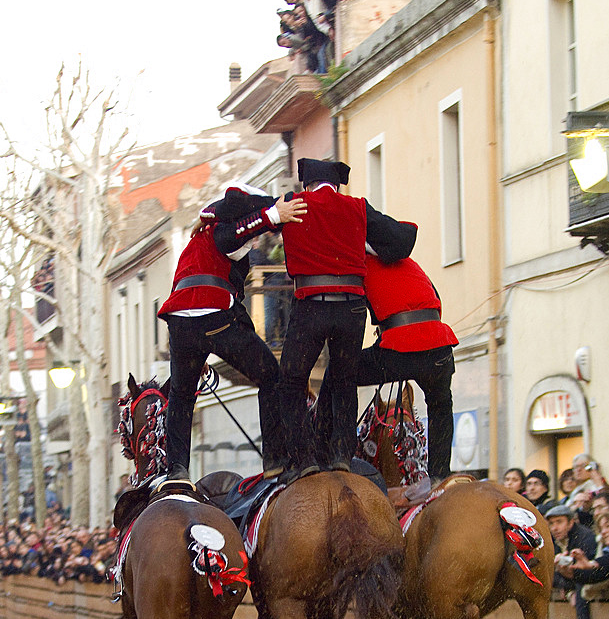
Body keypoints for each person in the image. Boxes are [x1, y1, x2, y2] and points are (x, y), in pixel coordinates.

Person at [158, 185, 308, 485]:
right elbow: (235, 234)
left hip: (179, 323)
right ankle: (275, 460)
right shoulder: (223, 232)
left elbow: (226, 220)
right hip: (214, 315)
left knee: (181, 396)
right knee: (270, 376)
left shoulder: (201, 234)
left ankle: (176, 469)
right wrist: (271, 214)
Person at [278, 157, 417, 477]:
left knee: (291, 380)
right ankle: (341, 453)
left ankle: (305, 458)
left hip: (310, 303)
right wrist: (367, 247)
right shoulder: (357, 207)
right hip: (351, 307)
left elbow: (249, 213)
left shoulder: (291, 206)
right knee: (344, 380)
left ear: (306, 184)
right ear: (338, 185)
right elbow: (400, 239)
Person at [316, 251, 457, 482]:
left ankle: (327, 452)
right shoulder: (410, 262)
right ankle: (439, 477)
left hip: (399, 348)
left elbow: (350, 316)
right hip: (439, 347)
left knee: (338, 372)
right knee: (441, 405)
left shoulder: (357, 261)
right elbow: (435, 300)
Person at [547, 503, 597, 619]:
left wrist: (567, 586)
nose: (555, 528)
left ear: (571, 523)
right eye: (551, 523)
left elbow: (583, 572)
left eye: (559, 522)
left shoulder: (585, 537)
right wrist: (569, 590)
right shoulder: (552, 540)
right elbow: (548, 573)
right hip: (571, 583)